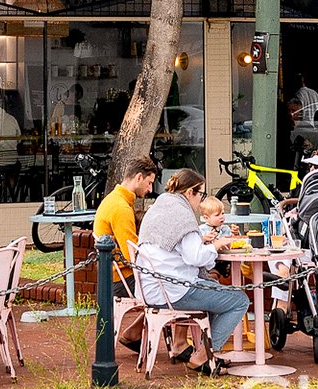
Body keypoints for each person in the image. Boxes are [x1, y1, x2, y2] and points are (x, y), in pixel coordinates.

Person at [135, 169, 248, 374]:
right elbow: (194, 258)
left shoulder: (159, 206)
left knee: (215, 289)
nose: (201, 200)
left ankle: (202, 351)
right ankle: (203, 356)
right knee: (239, 300)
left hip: (151, 288)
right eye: (201, 194)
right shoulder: (183, 215)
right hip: (173, 290)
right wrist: (215, 246)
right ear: (189, 193)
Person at [93, 155, 159, 350]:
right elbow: (133, 254)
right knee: (173, 288)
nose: (150, 190)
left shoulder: (113, 200)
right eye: (149, 183)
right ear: (139, 177)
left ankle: (134, 332)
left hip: (111, 275)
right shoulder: (121, 208)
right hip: (121, 279)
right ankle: (177, 345)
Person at [0, 76, 23, 193]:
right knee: (14, 168)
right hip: (11, 162)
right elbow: (19, 139)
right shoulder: (12, 119)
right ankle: (11, 193)